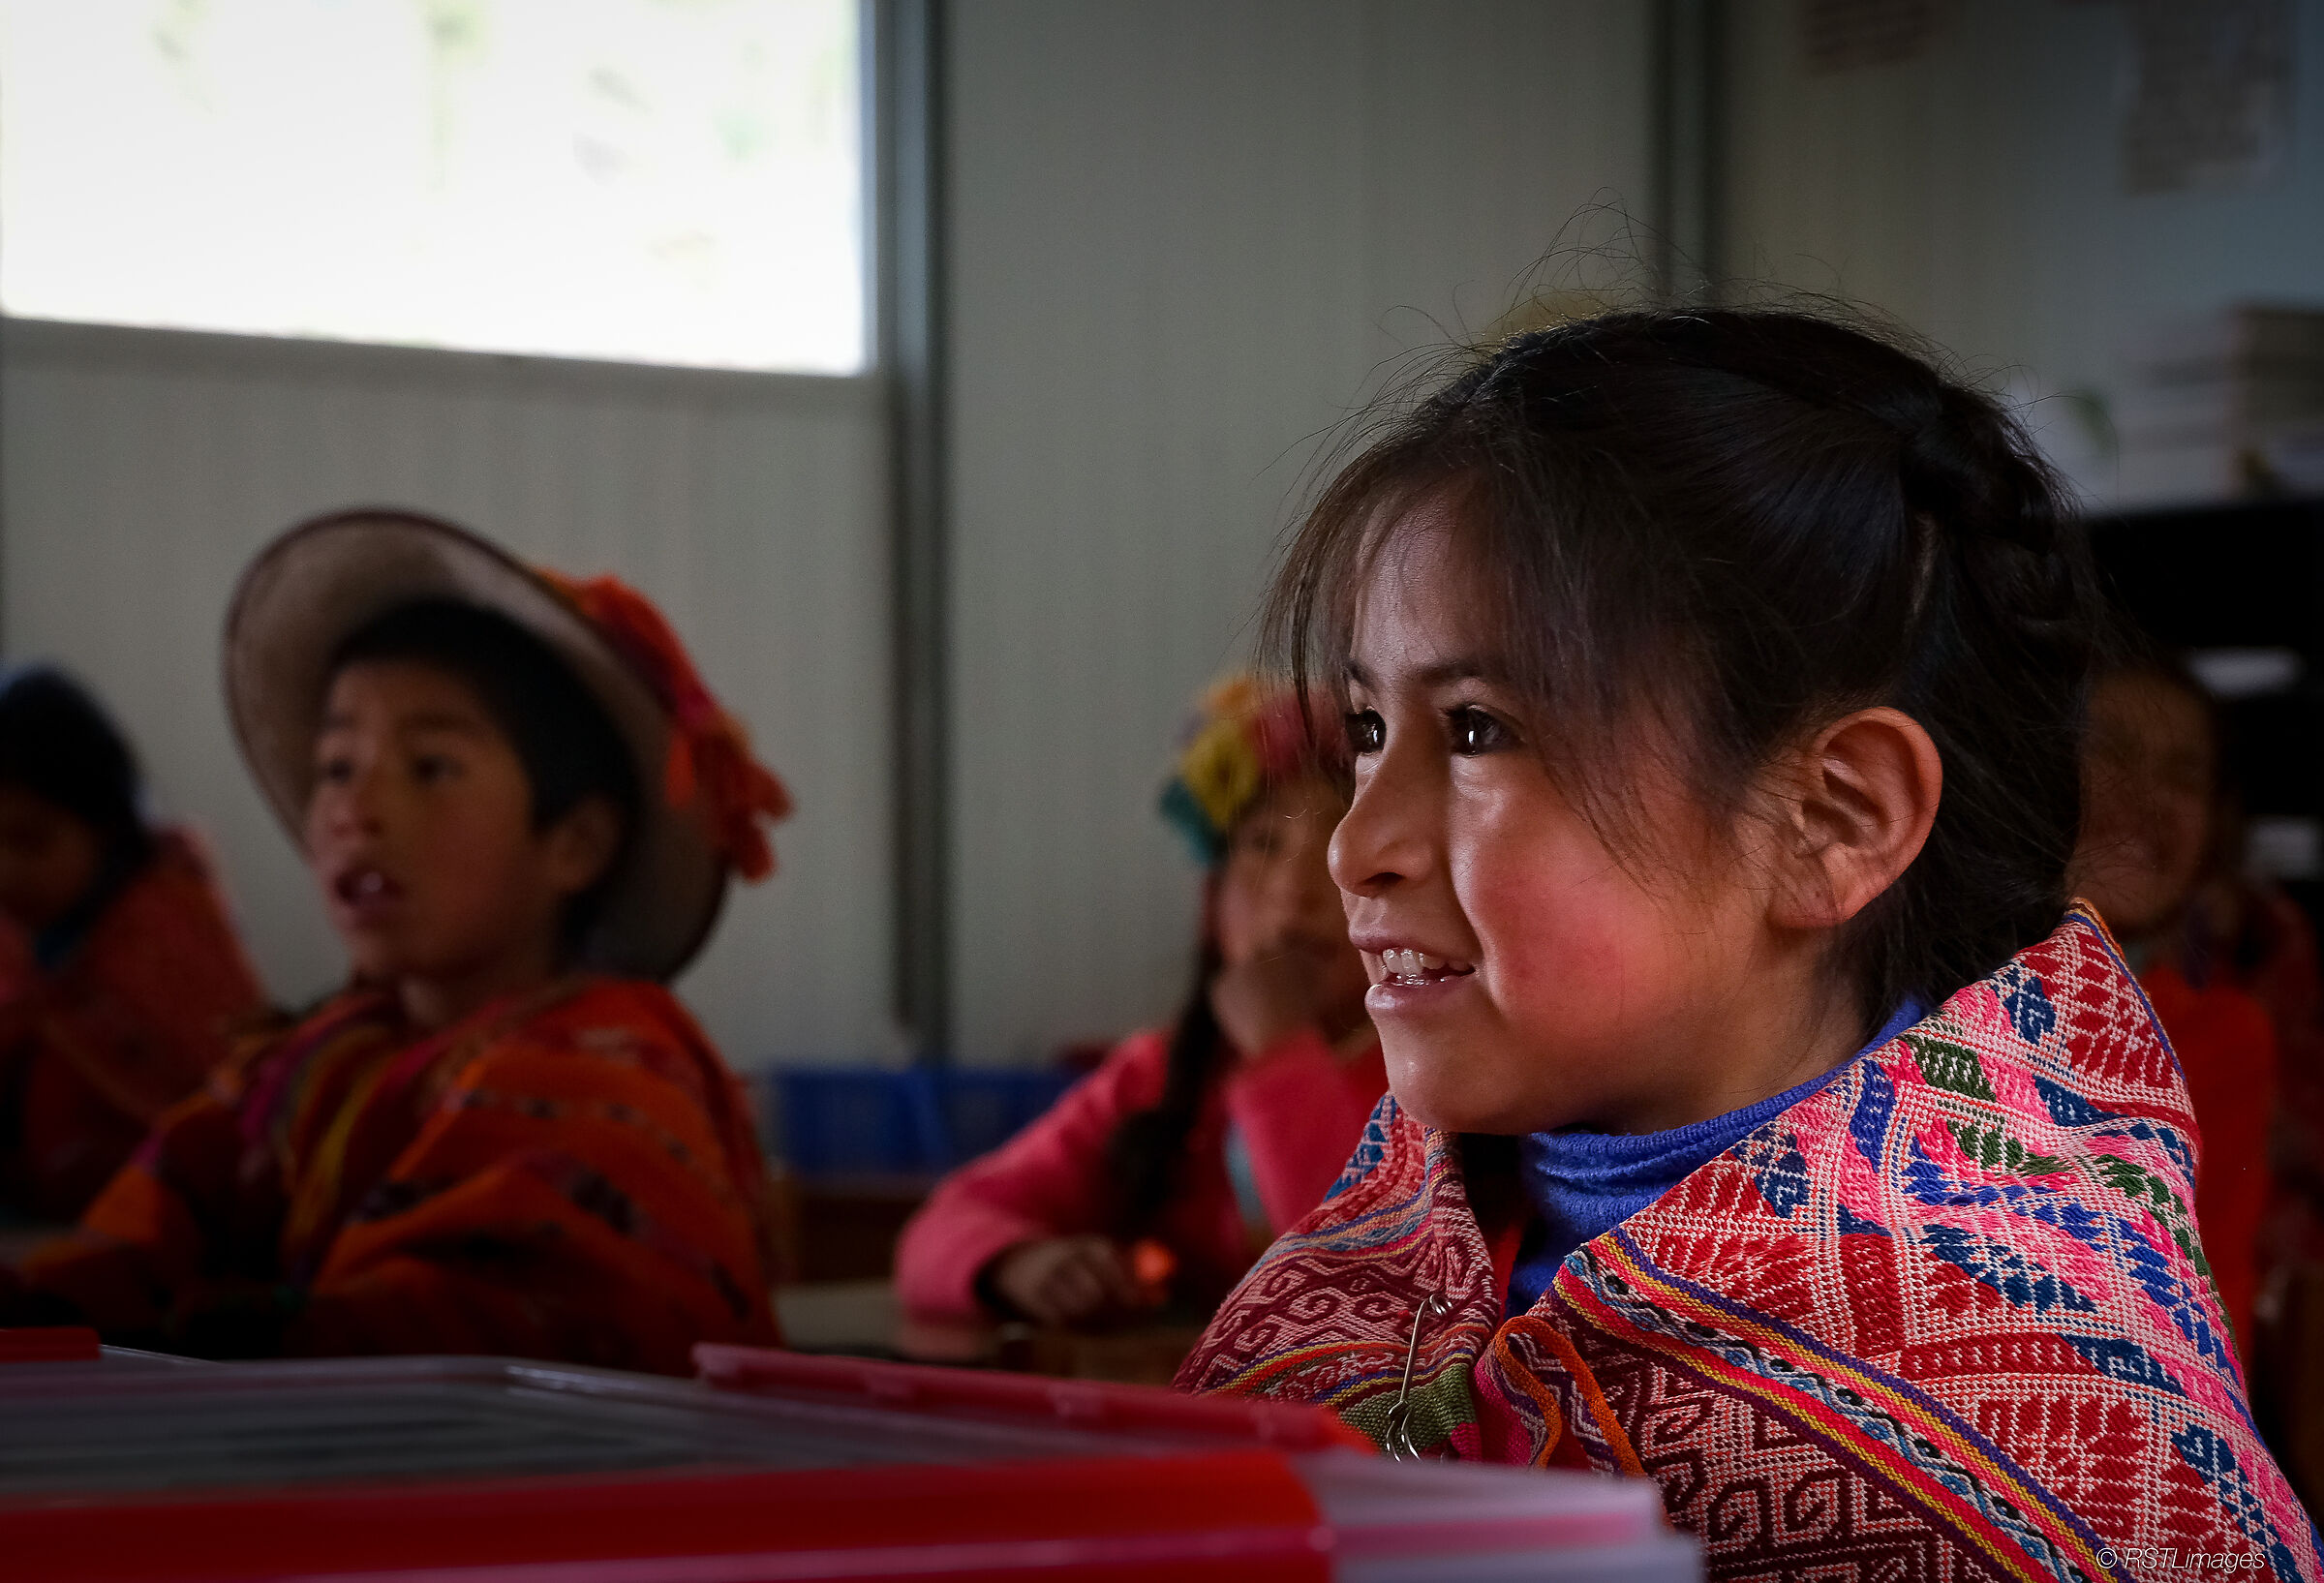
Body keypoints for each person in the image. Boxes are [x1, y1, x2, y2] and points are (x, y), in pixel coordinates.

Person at [1175, 311, 2319, 1577]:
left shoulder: (2049, 1437)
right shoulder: (1399, 1249)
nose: (1356, 846)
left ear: (1829, 820)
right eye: (1368, 727)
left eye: (1480, 729)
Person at [4, 509, 790, 1375]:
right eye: (337, 765)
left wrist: (166, 1338)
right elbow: (131, 1251)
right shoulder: (300, 1076)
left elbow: (446, 1344)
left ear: (576, 845)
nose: (354, 809)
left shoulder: (613, 1072)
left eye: (431, 767)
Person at [895, 677, 1385, 1328]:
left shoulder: (1434, 1082)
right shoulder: (1159, 1074)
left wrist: (1280, 1054)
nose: (1295, 895)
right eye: (1263, 845)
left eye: (1335, 850)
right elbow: (942, 1228)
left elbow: (1369, 1275)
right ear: (1212, 903)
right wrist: (1018, 1264)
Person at [2070, 648, 2278, 1368]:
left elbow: (2213, 1340)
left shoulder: (2217, 1038)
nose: (2146, 797)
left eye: (2184, 774)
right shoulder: (1923, 988)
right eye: (2111, 753)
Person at [0, 667, 264, 1221]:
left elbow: (232, 1110)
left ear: (103, 827)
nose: (6, 871)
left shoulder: (160, 927)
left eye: (32, 840)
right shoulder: (17, 930)